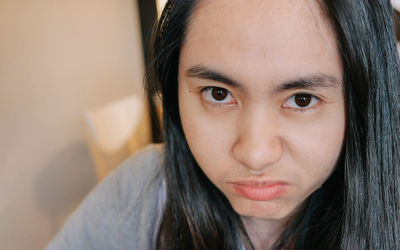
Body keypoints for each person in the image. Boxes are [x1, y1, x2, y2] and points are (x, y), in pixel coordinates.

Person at [47, 0, 400, 249]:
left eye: (301, 99)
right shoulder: (143, 194)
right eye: (217, 93)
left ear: (364, 100)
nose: (255, 154)